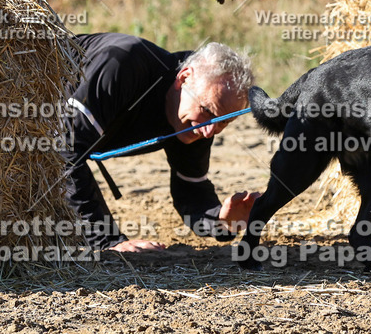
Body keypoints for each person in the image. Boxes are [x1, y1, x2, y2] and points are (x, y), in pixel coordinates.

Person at [64, 33, 258, 252]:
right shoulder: (123, 64)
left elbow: (191, 190)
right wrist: (107, 241)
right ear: (183, 78)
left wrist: (220, 221)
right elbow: (63, 149)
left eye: (224, 122)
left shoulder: (196, 118)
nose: (209, 131)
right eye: (206, 111)